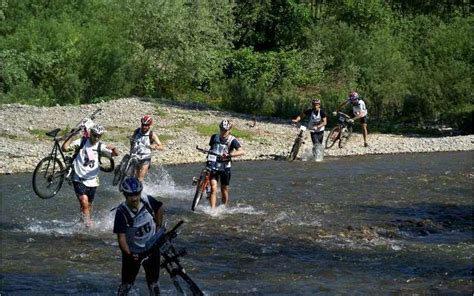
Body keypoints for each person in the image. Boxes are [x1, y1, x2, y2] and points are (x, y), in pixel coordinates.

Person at [113, 176, 164, 295]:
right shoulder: (121, 212)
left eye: (137, 194)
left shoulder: (147, 200)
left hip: (152, 249)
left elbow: (159, 207)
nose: (134, 198)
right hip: (133, 253)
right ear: (125, 195)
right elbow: (121, 238)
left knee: (154, 283)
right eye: (131, 195)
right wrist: (129, 254)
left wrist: (158, 227)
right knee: (127, 284)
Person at [62, 123, 119, 227]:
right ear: (90, 133)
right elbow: (65, 148)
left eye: (99, 136)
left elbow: (115, 154)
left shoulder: (100, 146)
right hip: (78, 178)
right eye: (94, 135)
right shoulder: (82, 142)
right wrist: (72, 136)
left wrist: (114, 148)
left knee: (88, 205)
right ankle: (89, 226)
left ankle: (82, 221)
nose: (96, 138)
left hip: (93, 180)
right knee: (84, 201)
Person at [207, 120, 245, 209]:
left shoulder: (232, 140)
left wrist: (229, 155)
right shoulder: (214, 137)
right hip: (214, 166)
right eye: (222, 129)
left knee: (224, 189)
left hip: (225, 168)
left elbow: (242, 151)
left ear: (229, 130)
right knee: (213, 188)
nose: (223, 132)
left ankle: (223, 207)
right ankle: (212, 210)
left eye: (225, 130)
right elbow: (211, 149)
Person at [129, 115, 164, 181]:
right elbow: (132, 140)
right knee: (135, 176)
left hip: (146, 158)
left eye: (146, 125)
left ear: (149, 125)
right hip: (136, 155)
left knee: (140, 178)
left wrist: (155, 146)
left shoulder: (152, 134)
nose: (144, 127)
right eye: (143, 125)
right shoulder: (137, 131)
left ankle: (139, 188)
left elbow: (162, 147)